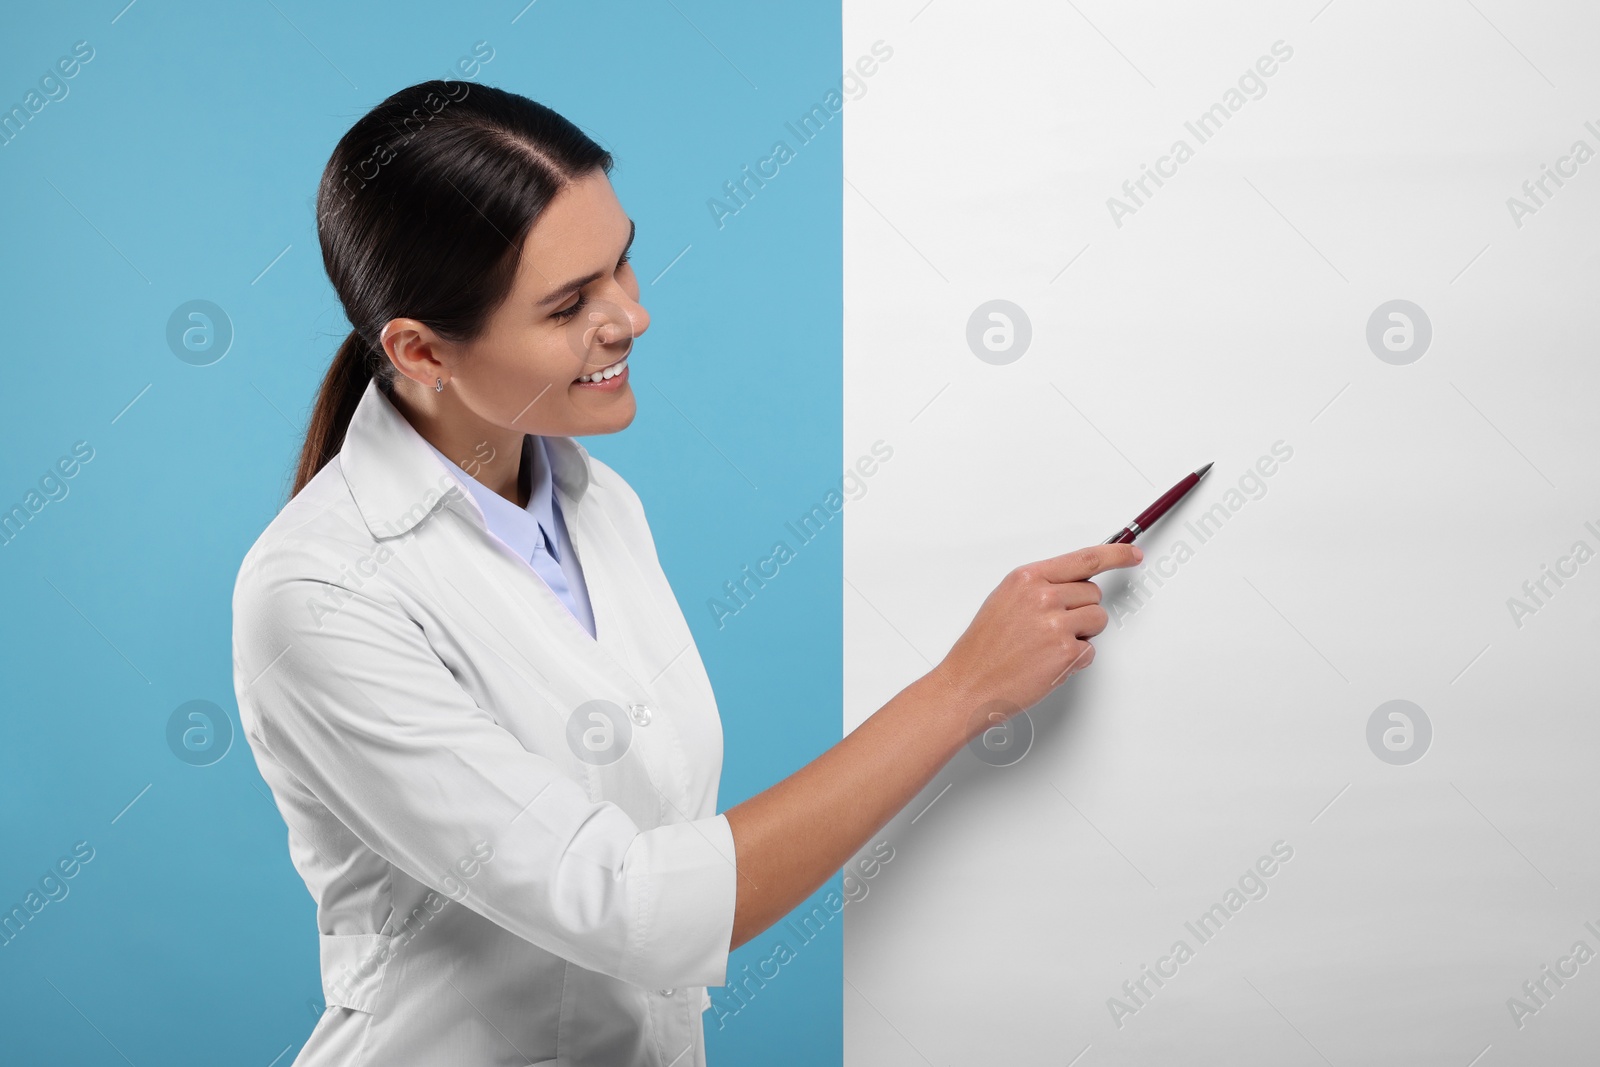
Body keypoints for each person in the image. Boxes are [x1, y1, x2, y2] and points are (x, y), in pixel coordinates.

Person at [230, 79, 1140, 1067]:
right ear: (419, 348)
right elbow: (630, 902)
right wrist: (959, 693)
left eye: (620, 261)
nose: (631, 315)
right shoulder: (319, 596)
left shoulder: (596, 501)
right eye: (570, 303)